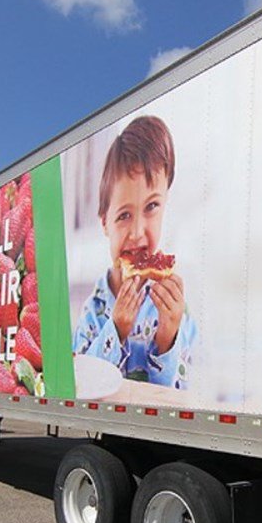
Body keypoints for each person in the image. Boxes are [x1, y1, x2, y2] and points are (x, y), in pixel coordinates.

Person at [72, 116, 196, 389]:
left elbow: (181, 398)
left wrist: (168, 336)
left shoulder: (178, 310)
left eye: (151, 207)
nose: (138, 231)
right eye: (124, 215)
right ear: (104, 222)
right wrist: (115, 330)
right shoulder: (93, 311)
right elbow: (80, 386)